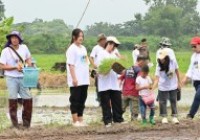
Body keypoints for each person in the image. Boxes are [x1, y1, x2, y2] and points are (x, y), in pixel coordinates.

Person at [0, 31, 33, 128]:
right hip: (11, 78)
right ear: (10, 39)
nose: (14, 39)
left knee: (27, 98)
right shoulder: (6, 51)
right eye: (12, 38)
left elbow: (28, 58)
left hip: (23, 77)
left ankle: (26, 124)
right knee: (13, 99)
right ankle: (15, 125)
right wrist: (15, 68)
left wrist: (27, 66)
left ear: (19, 39)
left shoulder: (24, 48)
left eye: (16, 37)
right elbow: (2, 66)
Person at [97, 36, 124, 127]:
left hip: (114, 82)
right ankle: (108, 121)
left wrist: (122, 71)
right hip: (104, 82)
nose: (114, 47)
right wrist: (108, 66)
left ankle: (118, 119)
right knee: (106, 103)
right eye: (113, 45)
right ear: (109, 44)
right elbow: (100, 68)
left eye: (115, 46)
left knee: (117, 101)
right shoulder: (101, 53)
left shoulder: (114, 54)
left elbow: (119, 68)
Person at [66, 28, 90, 127]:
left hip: (84, 79)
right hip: (76, 79)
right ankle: (75, 121)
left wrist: (90, 72)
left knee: (82, 99)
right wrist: (74, 79)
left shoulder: (83, 48)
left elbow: (85, 62)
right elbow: (71, 65)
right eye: (79, 36)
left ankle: (80, 120)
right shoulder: (71, 49)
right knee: (75, 100)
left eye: (82, 36)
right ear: (74, 37)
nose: (81, 38)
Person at [152, 49, 181, 124]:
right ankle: (164, 117)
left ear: (166, 57)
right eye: (160, 58)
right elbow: (157, 78)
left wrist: (179, 83)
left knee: (173, 101)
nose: (161, 60)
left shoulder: (173, 62)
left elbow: (177, 72)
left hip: (173, 85)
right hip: (162, 86)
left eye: (162, 58)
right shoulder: (158, 65)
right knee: (162, 102)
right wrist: (152, 88)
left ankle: (174, 117)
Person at [119, 55, 147, 121]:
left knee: (122, 107)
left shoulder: (128, 69)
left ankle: (117, 117)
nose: (144, 64)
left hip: (125, 92)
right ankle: (134, 120)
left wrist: (119, 88)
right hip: (134, 92)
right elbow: (140, 80)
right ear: (140, 61)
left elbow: (120, 78)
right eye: (144, 62)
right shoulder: (139, 70)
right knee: (135, 108)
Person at [182, 37, 200, 119]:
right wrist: (186, 77)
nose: (193, 48)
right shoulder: (194, 56)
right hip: (196, 81)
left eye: (194, 46)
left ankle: (190, 115)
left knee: (197, 96)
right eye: (192, 46)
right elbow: (191, 68)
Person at [90, 33, 106, 105]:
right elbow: (91, 58)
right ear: (99, 41)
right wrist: (94, 65)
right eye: (102, 40)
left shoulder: (107, 48)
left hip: (106, 69)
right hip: (98, 70)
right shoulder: (96, 48)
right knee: (98, 85)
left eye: (104, 40)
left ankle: (105, 100)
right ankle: (99, 100)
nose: (103, 41)